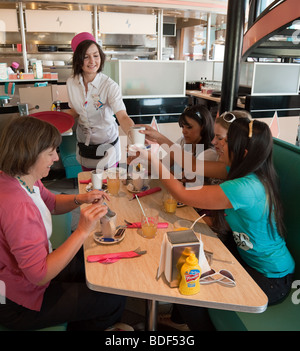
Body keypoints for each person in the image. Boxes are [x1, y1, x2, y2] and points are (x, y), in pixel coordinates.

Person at [137, 117, 295, 330]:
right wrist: (160, 139)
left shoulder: (245, 186)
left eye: (226, 141)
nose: (216, 143)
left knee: (190, 280)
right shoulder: (245, 170)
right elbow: (193, 164)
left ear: (243, 153)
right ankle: (180, 320)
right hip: (248, 258)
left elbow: (182, 193)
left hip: (272, 278)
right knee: (186, 258)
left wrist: (154, 160)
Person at [0, 117, 128, 331]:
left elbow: (51, 203)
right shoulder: (18, 207)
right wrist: (82, 230)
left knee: (92, 260)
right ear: (30, 153)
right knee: (112, 299)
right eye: (50, 152)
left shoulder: (19, 178)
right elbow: (39, 275)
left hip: (26, 273)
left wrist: (81, 199)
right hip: (19, 301)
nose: (56, 158)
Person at [66, 32, 134, 171]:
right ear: (78, 60)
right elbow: (76, 110)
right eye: (86, 57)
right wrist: (56, 123)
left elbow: (122, 116)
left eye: (96, 55)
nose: (92, 61)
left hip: (107, 148)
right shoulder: (71, 83)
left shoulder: (109, 86)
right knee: (88, 186)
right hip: (85, 147)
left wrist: (134, 136)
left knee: (108, 188)